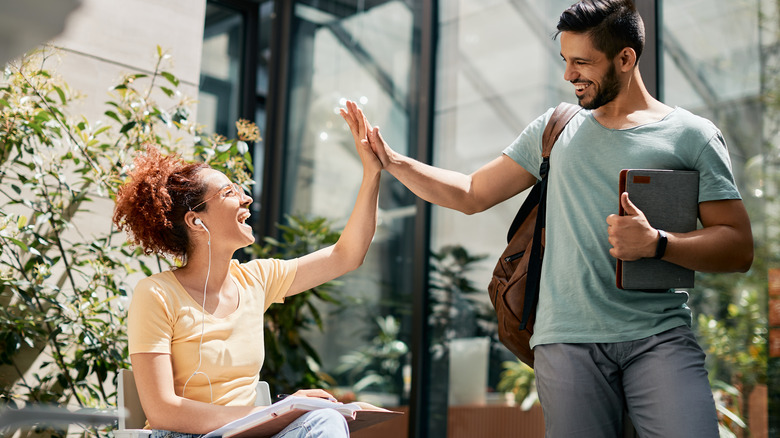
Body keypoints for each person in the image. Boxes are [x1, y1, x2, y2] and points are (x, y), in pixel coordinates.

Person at [358, 1, 753, 437]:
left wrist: (659, 243)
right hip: (566, 343)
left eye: (582, 62)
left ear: (626, 58)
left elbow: (737, 246)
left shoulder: (691, 136)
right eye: (565, 61)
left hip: (659, 336)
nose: (569, 75)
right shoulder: (555, 129)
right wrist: (391, 160)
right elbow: (471, 193)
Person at [113, 104, 379, 438]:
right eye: (229, 193)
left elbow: (346, 256)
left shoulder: (256, 280)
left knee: (326, 421)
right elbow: (163, 411)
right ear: (197, 221)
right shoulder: (156, 294)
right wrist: (274, 413)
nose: (247, 199)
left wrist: (371, 174)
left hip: (251, 433)